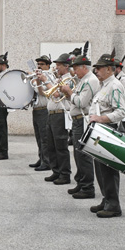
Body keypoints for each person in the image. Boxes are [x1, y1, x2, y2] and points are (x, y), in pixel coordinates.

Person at [87, 53, 125, 218]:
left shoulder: (115, 86)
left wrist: (101, 118)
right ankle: (106, 199)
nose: (96, 70)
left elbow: (120, 111)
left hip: (109, 129)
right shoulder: (103, 85)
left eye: (99, 68)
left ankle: (113, 204)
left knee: (109, 171)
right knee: (100, 169)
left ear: (109, 70)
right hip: (100, 131)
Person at [59, 50, 98, 199]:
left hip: (83, 119)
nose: (74, 72)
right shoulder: (83, 80)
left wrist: (69, 92)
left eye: (76, 68)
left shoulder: (90, 80)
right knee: (77, 153)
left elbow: (81, 102)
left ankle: (88, 187)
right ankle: (81, 182)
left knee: (83, 155)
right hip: (77, 120)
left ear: (84, 67)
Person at [41, 53, 73, 185]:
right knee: (51, 145)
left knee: (60, 146)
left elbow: (56, 94)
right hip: (52, 113)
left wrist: (45, 80)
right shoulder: (57, 78)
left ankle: (65, 174)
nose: (56, 67)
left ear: (66, 66)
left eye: (59, 65)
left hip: (61, 114)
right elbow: (46, 94)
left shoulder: (69, 79)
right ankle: (56, 171)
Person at [29, 54, 53, 172]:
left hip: (44, 109)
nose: (39, 66)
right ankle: (41, 158)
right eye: (38, 64)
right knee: (38, 137)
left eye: (42, 64)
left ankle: (46, 161)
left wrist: (35, 81)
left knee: (44, 138)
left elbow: (42, 91)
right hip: (36, 109)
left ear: (48, 66)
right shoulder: (37, 77)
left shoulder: (48, 77)